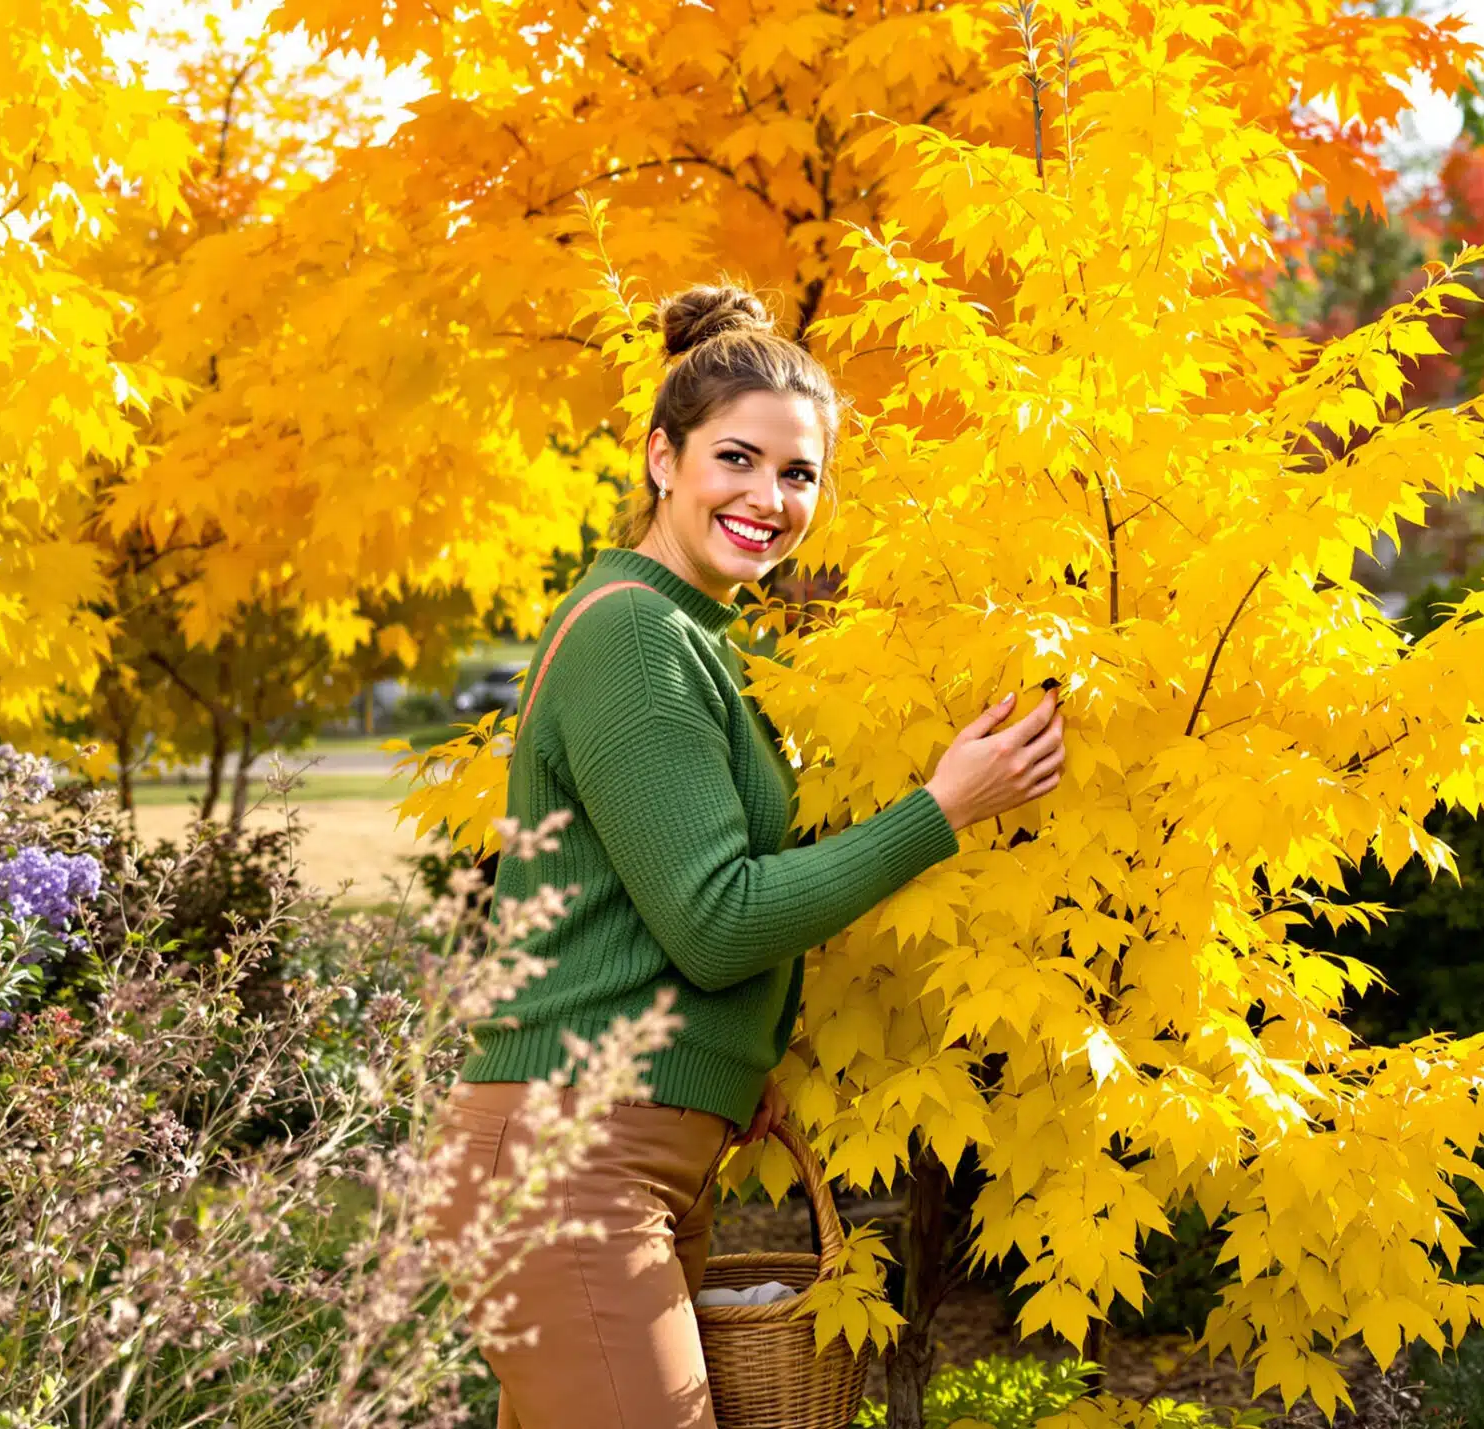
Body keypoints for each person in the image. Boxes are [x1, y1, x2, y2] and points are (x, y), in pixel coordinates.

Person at [426, 284, 1064, 1429]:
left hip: (629, 1146)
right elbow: (715, 918)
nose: (770, 498)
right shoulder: (637, 634)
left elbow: (640, 902)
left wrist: (726, 1056)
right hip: (573, 1154)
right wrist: (942, 808)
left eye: (799, 473)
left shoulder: (691, 636)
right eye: (737, 458)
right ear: (661, 458)